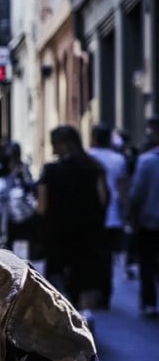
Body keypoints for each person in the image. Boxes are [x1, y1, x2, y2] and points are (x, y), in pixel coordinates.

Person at [36, 125, 108, 324]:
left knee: (59, 276)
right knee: (85, 278)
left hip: (58, 233)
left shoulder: (50, 171)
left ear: (63, 144)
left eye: (54, 144)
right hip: (88, 233)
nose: (53, 149)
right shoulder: (94, 167)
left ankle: (65, 322)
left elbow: (42, 206)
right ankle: (86, 318)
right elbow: (103, 200)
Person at [87, 123, 128, 307]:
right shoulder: (118, 159)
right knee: (107, 256)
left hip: (93, 214)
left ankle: (93, 291)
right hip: (113, 215)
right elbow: (122, 189)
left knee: (92, 254)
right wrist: (125, 213)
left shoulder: (87, 157)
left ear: (94, 138)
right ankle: (106, 292)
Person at [128, 117, 159, 316]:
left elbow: (136, 194)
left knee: (147, 262)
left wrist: (132, 218)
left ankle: (149, 301)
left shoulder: (147, 161)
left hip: (150, 222)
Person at [0, 140, 35, 256]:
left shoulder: (23, 170)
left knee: (21, 253)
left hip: (21, 218)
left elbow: (29, 191)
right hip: (3, 217)